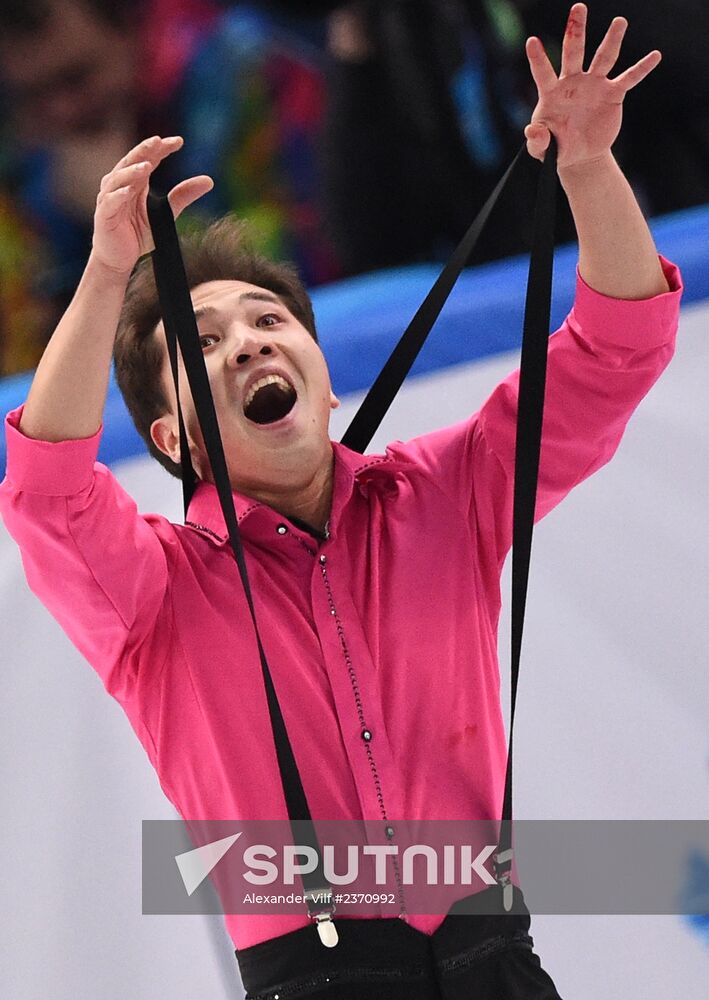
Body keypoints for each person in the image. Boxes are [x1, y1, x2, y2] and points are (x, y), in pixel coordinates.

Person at [0, 4, 683, 997]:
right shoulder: (151, 591)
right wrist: (108, 271)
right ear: (173, 438)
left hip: (498, 961)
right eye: (205, 343)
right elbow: (46, 486)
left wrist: (584, 167)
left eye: (269, 318)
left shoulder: (446, 491)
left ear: (325, 379)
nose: (247, 341)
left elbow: (619, 346)